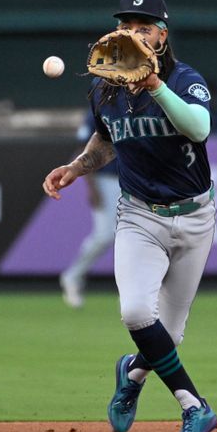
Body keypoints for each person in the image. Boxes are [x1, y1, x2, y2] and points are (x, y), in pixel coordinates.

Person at [42, 0, 217, 432]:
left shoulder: (184, 79)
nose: (133, 34)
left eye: (144, 27)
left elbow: (198, 128)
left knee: (169, 336)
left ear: (161, 36)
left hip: (195, 216)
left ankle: (133, 373)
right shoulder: (104, 89)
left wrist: (157, 86)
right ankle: (194, 407)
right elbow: (105, 142)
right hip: (139, 214)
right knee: (139, 314)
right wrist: (76, 168)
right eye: (127, 26)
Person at [59, 110, 121, 309]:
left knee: (138, 235)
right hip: (105, 178)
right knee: (104, 235)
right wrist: (91, 186)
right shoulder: (100, 108)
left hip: (131, 179)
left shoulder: (138, 103)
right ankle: (72, 277)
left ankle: (135, 291)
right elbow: (83, 149)